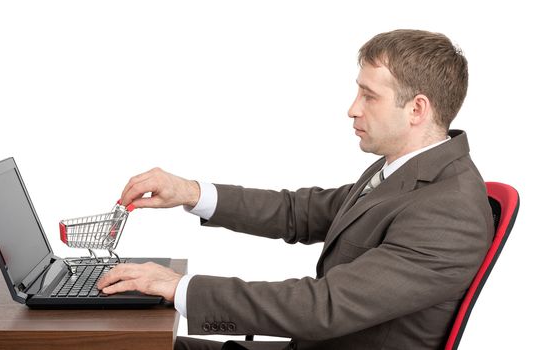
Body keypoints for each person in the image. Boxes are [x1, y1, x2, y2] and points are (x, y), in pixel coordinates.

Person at [97, 29, 494, 350]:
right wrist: (191, 192)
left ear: (417, 109)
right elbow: (300, 212)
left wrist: (179, 287)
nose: (353, 109)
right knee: (120, 342)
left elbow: (324, 307)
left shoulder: (449, 208)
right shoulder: (405, 170)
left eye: (369, 96)